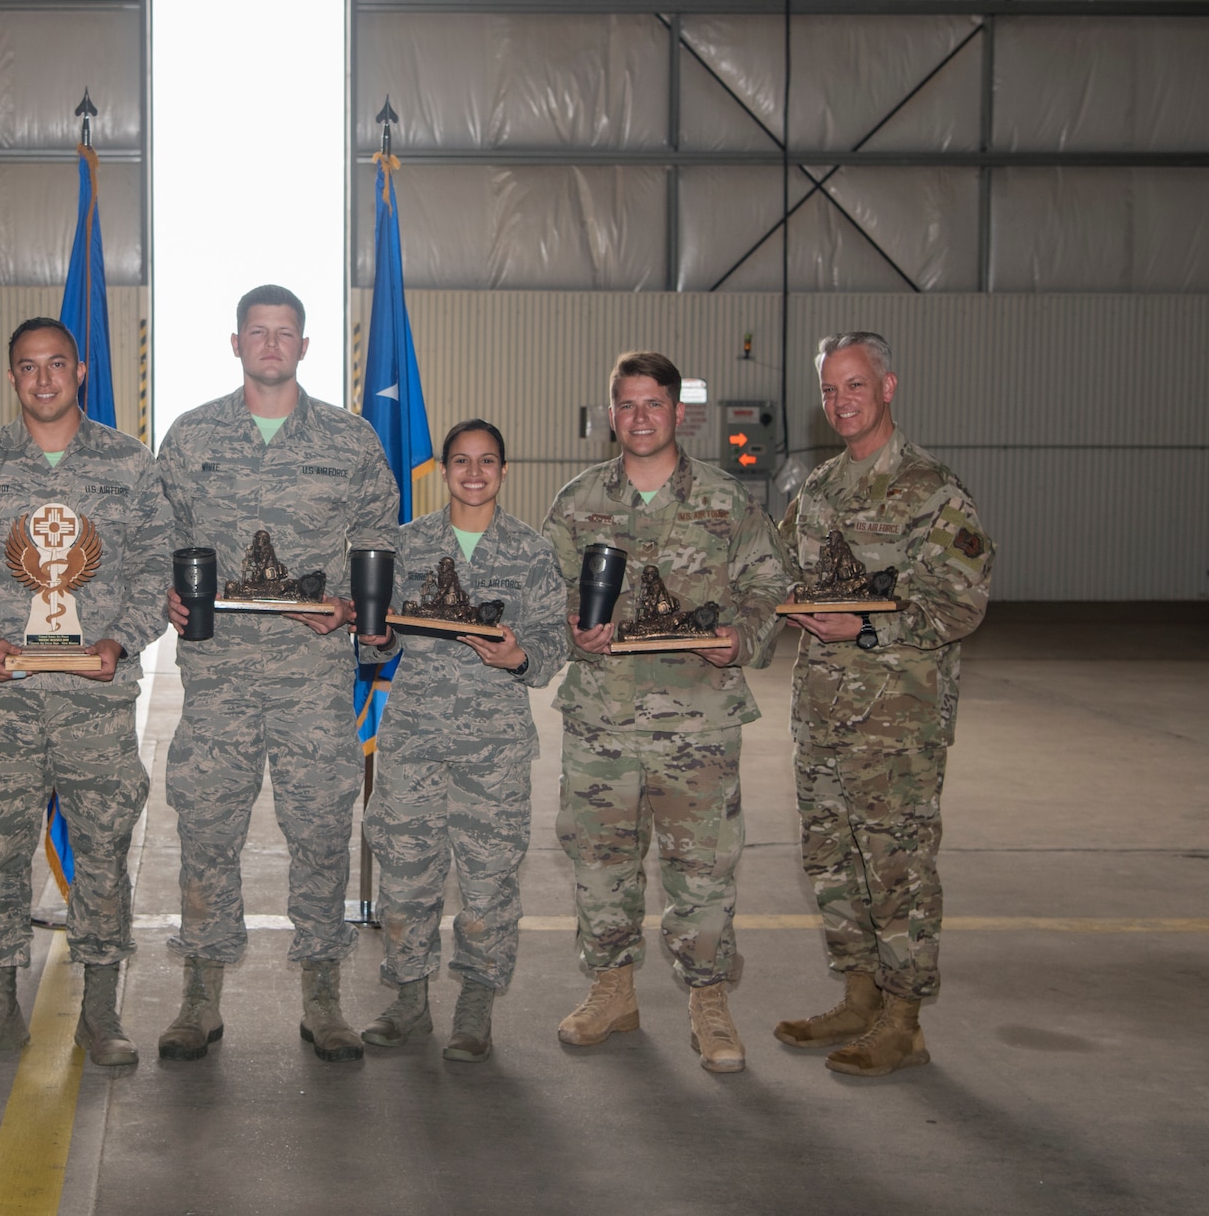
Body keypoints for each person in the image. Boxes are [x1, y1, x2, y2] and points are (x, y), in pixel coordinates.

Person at [156, 284, 400, 1063]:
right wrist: (157, 590)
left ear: (304, 346)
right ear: (235, 344)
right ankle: (200, 992)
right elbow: (157, 537)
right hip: (218, 676)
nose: (270, 344)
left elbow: (380, 544)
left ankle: (323, 993)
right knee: (206, 830)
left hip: (312, 678)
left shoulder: (350, 440)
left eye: (284, 333)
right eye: (256, 332)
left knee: (323, 832)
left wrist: (352, 611)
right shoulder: (191, 437)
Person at [0, 317, 172, 1067]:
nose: (42, 379)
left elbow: (155, 570)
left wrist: (120, 639)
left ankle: (101, 1011)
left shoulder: (130, 465)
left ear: (81, 370)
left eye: (56, 364)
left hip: (96, 699)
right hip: (4, 698)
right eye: (27, 367)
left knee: (102, 851)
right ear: (11, 378)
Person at [542, 351, 789, 1074]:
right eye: (627, 404)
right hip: (603, 720)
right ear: (610, 413)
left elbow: (768, 583)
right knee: (600, 866)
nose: (640, 417)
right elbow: (540, 586)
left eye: (655, 404)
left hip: (698, 723)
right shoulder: (578, 500)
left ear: (680, 413)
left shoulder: (726, 499)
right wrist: (570, 625)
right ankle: (612, 988)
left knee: (704, 872)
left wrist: (744, 634)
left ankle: (708, 1001)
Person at [774, 331, 992, 1076]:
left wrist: (865, 620)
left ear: (889, 387)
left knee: (897, 868)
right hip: (823, 714)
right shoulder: (818, 491)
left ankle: (904, 1018)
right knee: (832, 863)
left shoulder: (933, 489)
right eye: (831, 390)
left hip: (898, 723)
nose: (841, 401)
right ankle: (859, 994)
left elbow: (959, 604)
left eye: (855, 386)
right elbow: (775, 572)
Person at [352, 420, 568, 1062]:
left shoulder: (531, 551)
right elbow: (379, 630)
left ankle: (476, 1006)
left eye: (488, 462)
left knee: (487, 882)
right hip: (414, 738)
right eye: (462, 462)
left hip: (493, 747)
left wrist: (519, 657)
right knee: (406, 876)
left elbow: (554, 645)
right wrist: (376, 639)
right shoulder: (405, 544)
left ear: (505, 471)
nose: (474, 474)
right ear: (443, 471)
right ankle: (409, 1000)